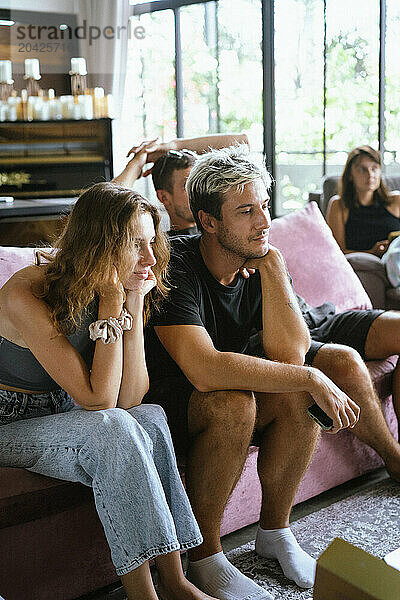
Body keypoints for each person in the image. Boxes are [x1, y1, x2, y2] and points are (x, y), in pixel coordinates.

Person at [0, 182, 218, 600]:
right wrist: (111, 303)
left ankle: (175, 580)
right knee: (112, 428)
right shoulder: (25, 293)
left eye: (152, 243)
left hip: (63, 411)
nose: (151, 259)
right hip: (10, 421)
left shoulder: (117, 287)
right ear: (100, 244)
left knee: (151, 418)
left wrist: (132, 304)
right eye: (137, 245)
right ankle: (144, 596)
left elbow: (132, 397)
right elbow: (99, 401)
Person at [114, 133, 249, 235]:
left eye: (197, 183)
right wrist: (136, 164)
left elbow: (242, 142)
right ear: (164, 198)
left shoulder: (221, 231)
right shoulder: (159, 249)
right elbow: (111, 202)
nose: (198, 192)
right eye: (187, 186)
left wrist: (175, 146)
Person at [326, 145, 400, 257]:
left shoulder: (396, 200)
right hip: (362, 266)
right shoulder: (339, 205)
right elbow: (336, 253)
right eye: (362, 169)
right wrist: (372, 252)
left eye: (374, 168)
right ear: (350, 174)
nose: (370, 175)